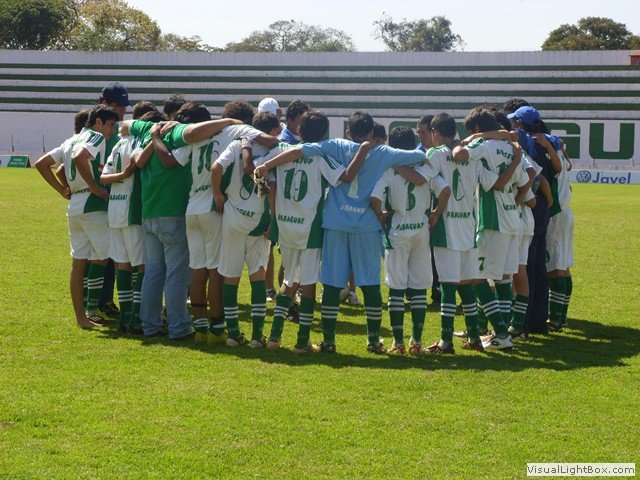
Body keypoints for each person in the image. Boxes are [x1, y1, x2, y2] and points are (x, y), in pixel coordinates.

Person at [262, 111, 430, 353]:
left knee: (331, 283)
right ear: (371, 132)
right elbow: (419, 155)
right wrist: (394, 161)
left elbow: (301, 150)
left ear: (348, 132)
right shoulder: (384, 152)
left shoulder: (335, 145)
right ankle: (373, 341)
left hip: (335, 224)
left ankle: (329, 341)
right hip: (366, 227)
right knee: (370, 284)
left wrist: (266, 165)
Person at [119, 108, 247, 340]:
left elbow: (125, 125)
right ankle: (179, 327)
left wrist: (153, 134)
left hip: (149, 213)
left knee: (153, 271)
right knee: (177, 273)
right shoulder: (181, 134)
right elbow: (191, 136)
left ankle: (150, 325)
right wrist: (227, 120)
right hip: (174, 212)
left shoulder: (147, 130)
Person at [254, 110, 365, 352]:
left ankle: (274, 337)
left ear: (299, 130)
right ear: (324, 133)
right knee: (307, 283)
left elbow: (262, 172)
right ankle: (302, 340)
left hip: (286, 224)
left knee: (288, 280)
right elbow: (346, 177)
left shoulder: (282, 151)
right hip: (309, 227)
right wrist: (363, 151)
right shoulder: (320, 156)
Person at [169, 102, 278, 345]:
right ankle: (218, 330)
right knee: (217, 271)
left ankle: (200, 328)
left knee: (197, 269)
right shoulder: (238, 133)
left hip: (192, 207)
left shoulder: (198, 136)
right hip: (213, 208)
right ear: (244, 120)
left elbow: (171, 160)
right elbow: (269, 141)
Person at [34, 105, 120, 329]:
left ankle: (82, 318)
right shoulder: (96, 137)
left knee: (79, 263)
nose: (112, 130)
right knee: (105, 256)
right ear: (98, 122)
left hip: (75, 206)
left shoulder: (70, 140)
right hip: (92, 204)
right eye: (110, 125)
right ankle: (94, 310)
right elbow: (81, 157)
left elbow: (42, 164)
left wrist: (62, 190)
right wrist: (94, 187)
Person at [452, 107, 529, 350]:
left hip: (492, 220)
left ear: (476, 128)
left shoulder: (482, 146)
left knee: (478, 276)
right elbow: (525, 180)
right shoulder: (511, 147)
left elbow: (459, 155)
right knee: (504, 278)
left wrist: (467, 142)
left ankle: (501, 334)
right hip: (512, 218)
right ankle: (500, 332)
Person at [370, 126, 450, 355]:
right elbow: (445, 191)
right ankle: (416, 341)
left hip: (397, 233)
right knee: (418, 287)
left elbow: (375, 197)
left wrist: (381, 215)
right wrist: (435, 214)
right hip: (421, 231)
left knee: (396, 287)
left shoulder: (388, 169)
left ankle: (398, 343)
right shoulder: (425, 166)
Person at [211, 112, 280, 348]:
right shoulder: (274, 151)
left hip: (232, 218)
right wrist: (272, 220)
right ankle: (257, 336)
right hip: (257, 222)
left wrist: (217, 194)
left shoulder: (235, 145)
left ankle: (233, 334)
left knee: (230, 276)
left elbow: (216, 168)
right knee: (257, 275)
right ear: (269, 132)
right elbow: (272, 187)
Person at [100, 107, 164, 334]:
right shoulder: (139, 140)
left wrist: (121, 176)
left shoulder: (119, 143)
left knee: (122, 264)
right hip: (132, 210)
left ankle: (125, 319)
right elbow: (140, 163)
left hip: (115, 209)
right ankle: (137, 318)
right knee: (141, 264)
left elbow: (103, 177)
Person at [97, 81, 132, 319]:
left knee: (111, 254)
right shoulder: (100, 130)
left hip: (114, 199)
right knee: (102, 256)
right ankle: (100, 301)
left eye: (124, 105)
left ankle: (103, 300)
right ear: (105, 103)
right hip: (101, 200)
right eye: (118, 105)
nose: (122, 110)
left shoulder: (118, 130)